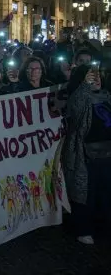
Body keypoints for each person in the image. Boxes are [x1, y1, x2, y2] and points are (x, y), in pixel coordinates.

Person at [62, 64, 111, 245]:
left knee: (105, 193)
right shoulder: (80, 97)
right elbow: (75, 107)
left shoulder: (107, 96)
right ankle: (84, 229)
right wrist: (84, 86)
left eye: (98, 76)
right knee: (85, 194)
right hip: (85, 155)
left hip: (107, 153)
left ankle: (104, 226)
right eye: (91, 76)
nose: (96, 79)